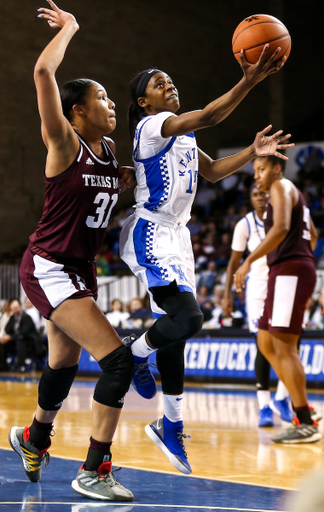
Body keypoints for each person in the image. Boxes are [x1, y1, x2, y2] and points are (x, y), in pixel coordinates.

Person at [119, 46, 293, 474]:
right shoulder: (152, 126)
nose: (169, 85)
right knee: (190, 319)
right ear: (144, 102)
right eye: (160, 84)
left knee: (177, 333)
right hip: (153, 231)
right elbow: (212, 116)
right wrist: (249, 81)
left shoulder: (181, 134)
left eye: (170, 80)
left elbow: (213, 172)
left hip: (179, 237)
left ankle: (171, 425)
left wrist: (252, 152)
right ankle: (135, 353)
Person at [8, 1, 135, 502]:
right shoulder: (64, 141)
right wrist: (72, 27)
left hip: (81, 269)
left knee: (62, 363)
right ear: (77, 110)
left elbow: (99, 195)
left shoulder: (109, 155)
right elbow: (43, 70)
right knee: (119, 363)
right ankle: (94, 469)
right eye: (100, 97)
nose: (110, 104)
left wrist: (123, 181)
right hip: (49, 265)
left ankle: (32, 438)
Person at [234, 154, 321, 443]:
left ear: (277, 169)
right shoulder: (286, 192)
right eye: (255, 170)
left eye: (262, 169)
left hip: (289, 271)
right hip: (287, 271)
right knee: (266, 341)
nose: (257, 174)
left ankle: (304, 421)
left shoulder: (280, 187)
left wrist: (249, 262)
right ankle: (301, 404)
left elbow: (281, 228)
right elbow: (314, 234)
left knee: (284, 346)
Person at [223, 184, 293, 427]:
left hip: (284, 283)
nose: (260, 197)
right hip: (258, 288)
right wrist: (226, 295)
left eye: (264, 193)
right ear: (251, 199)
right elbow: (233, 262)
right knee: (263, 345)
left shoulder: (283, 218)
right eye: (256, 194)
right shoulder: (245, 224)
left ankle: (282, 399)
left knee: (287, 343)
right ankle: (264, 404)